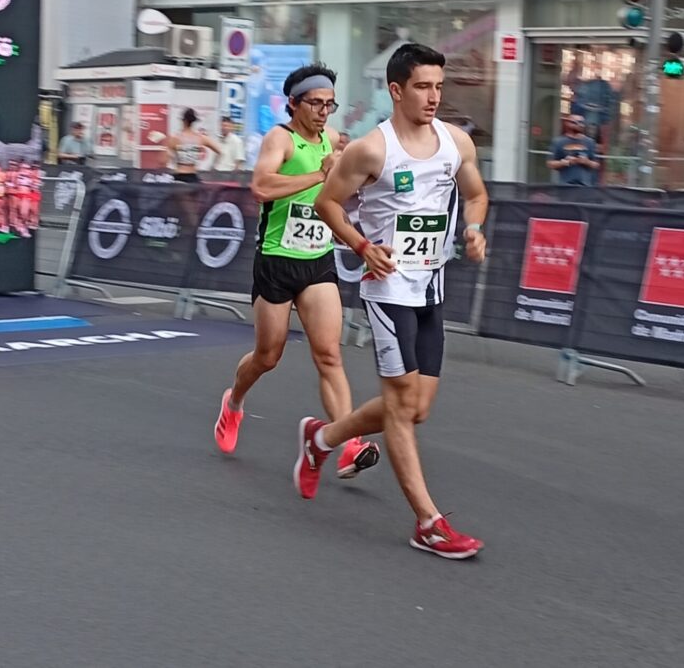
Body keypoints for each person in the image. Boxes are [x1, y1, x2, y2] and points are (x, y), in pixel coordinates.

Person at [293, 43, 488, 560]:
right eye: (423, 87)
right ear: (397, 90)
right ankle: (428, 521)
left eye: (440, 87)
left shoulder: (456, 143)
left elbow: (476, 192)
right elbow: (325, 202)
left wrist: (474, 228)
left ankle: (321, 439)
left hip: (431, 288)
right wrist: (361, 246)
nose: (433, 97)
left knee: (416, 409)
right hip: (386, 290)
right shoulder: (370, 150)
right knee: (400, 405)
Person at [214, 62, 381, 481]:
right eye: (316, 104)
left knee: (329, 354)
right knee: (268, 356)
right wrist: (317, 174)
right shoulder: (280, 139)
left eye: (330, 104)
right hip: (276, 260)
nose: (324, 111)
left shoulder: (333, 140)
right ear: (293, 104)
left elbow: (351, 170)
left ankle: (346, 445)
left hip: (318, 260)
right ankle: (233, 403)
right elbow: (261, 187)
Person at [165, 108, 221, 182]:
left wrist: (174, 161)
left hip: (179, 176)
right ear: (194, 122)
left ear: (183, 121)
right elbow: (219, 151)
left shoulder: (175, 138)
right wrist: (213, 167)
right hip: (193, 177)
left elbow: (166, 158)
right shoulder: (201, 138)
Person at [547, 113, 600, 185]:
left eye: (582, 122)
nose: (580, 125)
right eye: (575, 122)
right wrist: (565, 162)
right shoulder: (558, 142)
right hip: (565, 187)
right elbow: (550, 164)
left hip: (585, 187)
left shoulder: (590, 142)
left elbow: (596, 165)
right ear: (568, 124)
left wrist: (586, 161)